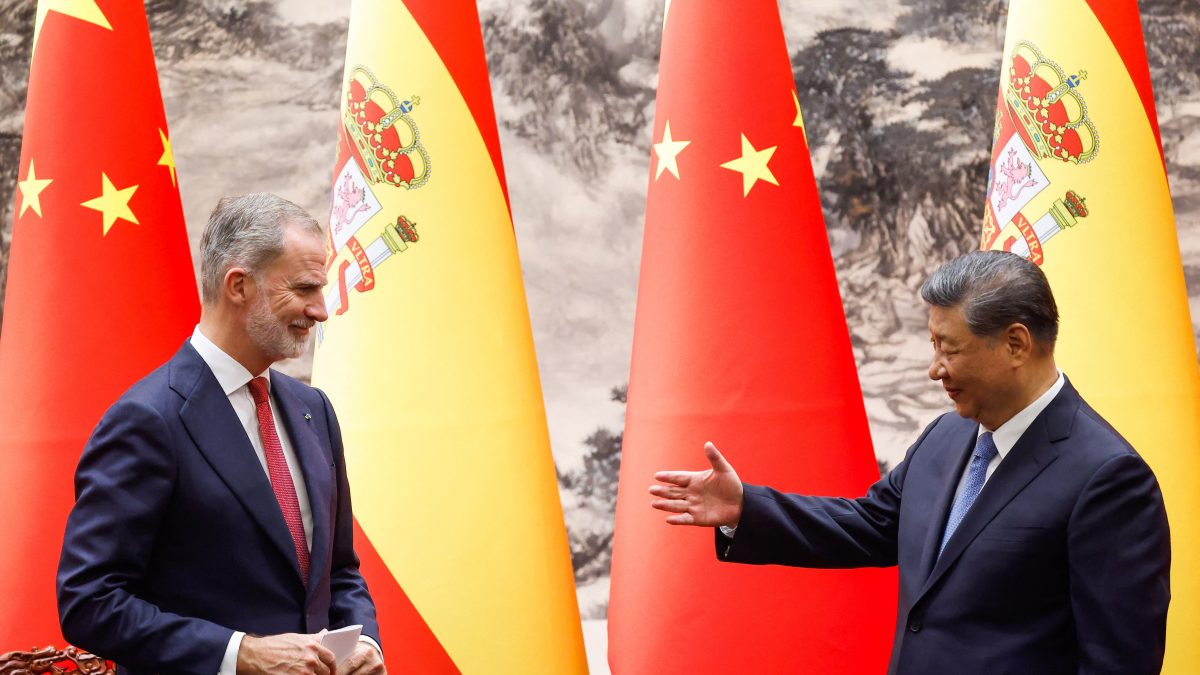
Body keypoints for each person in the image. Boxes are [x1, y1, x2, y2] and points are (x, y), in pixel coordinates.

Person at [650, 250, 1170, 674]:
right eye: (931, 345)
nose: (933, 369)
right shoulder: (948, 434)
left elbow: (1117, 663)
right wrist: (747, 508)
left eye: (949, 349)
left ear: (1016, 343)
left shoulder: (1108, 479)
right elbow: (873, 525)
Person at [57, 193, 386, 675]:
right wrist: (240, 654)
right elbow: (89, 602)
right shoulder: (149, 421)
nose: (321, 310)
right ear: (239, 286)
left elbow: (338, 571)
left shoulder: (314, 409)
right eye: (304, 289)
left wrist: (367, 645)